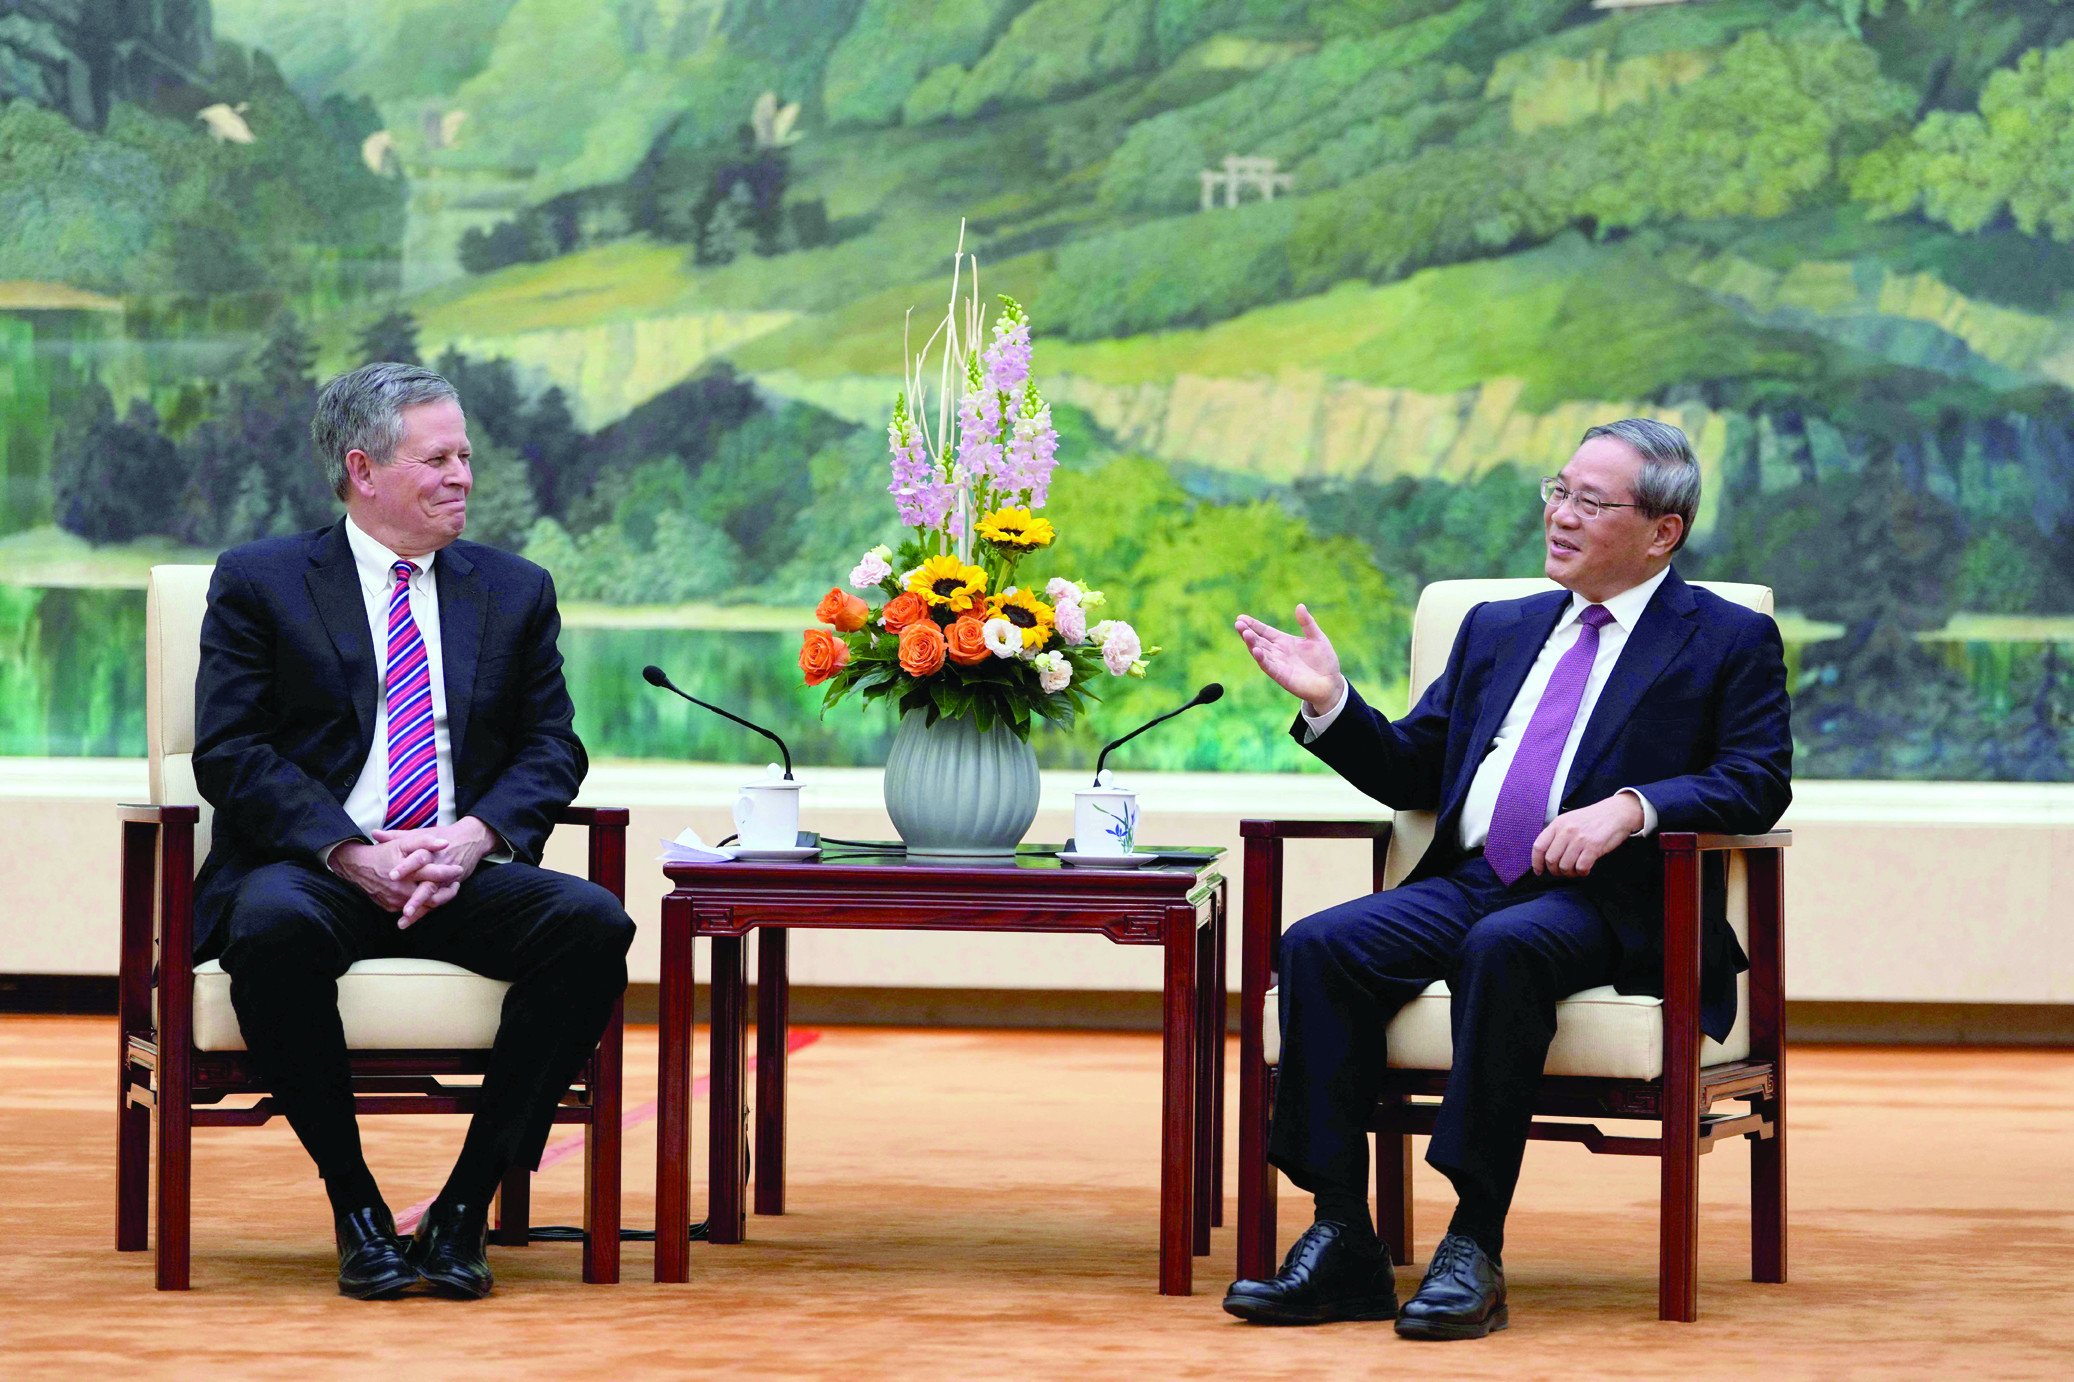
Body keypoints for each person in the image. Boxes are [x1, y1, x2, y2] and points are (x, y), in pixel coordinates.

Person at [1224, 419, 1791, 1339]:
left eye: (1590, 502)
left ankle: (1472, 1244)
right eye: (1556, 491)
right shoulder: (1501, 628)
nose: (1561, 516)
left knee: (1507, 946)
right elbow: (1415, 770)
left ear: (1662, 532)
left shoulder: (1725, 637)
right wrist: (1332, 703)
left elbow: (1758, 777)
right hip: (1469, 879)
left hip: (1610, 900)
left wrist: (1633, 807)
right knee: (1322, 945)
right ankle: (1342, 1235)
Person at [191, 362, 633, 1299]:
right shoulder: (262, 583)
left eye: (466, 456)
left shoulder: (512, 590)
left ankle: (464, 1208)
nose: (463, 476)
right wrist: (353, 852)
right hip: (320, 867)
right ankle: (356, 1209)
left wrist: (473, 837)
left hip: (456, 865)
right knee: (268, 930)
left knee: (593, 925)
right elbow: (230, 753)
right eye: (438, 459)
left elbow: (555, 749)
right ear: (364, 468)